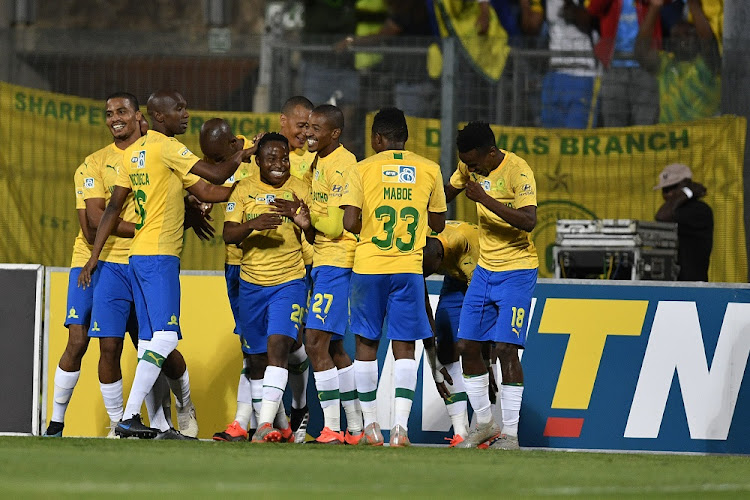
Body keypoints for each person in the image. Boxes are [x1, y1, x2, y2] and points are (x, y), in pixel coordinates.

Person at [78, 89, 254, 439]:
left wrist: (94, 256)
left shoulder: (134, 156)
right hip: (160, 256)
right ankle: (128, 417)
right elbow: (216, 176)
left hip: (137, 255)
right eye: (179, 109)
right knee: (167, 336)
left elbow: (206, 193)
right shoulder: (170, 148)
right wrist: (248, 155)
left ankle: (158, 424)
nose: (186, 114)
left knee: (148, 342)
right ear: (159, 117)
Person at [340, 107, 447, 447]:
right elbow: (440, 224)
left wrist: (369, 226)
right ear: (406, 137)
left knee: (366, 343)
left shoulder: (362, 169)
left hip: (370, 266)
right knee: (405, 346)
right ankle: (400, 429)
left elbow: (349, 222)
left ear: (376, 139)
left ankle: (370, 427)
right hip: (408, 268)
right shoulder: (429, 169)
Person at [444, 122, 538, 450]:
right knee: (467, 346)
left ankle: (510, 434)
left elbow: (529, 220)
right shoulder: (468, 165)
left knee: (506, 350)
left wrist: (484, 198)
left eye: (475, 163)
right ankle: (485, 423)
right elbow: (449, 193)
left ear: (492, 152)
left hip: (517, 271)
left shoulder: (518, 172)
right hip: (485, 270)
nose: (471, 169)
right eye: (466, 163)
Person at [223, 133, 314, 443]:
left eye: (284, 158)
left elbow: (315, 235)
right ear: (258, 161)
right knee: (257, 359)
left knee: (278, 345)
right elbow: (228, 234)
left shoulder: (301, 188)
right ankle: (283, 424)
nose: (280, 164)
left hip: (289, 281)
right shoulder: (244, 189)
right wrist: (252, 225)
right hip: (250, 284)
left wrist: (304, 221)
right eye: (272, 159)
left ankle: (262, 426)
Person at [303, 104, 364, 444]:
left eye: (315, 128)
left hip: (337, 261)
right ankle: (355, 429)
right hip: (322, 260)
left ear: (335, 133)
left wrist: (306, 217)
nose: (308, 132)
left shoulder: (342, 164)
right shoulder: (319, 161)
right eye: (308, 126)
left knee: (315, 342)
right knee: (335, 347)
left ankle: (331, 428)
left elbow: (341, 223)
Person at [199, 119, 262, 443]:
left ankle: (287, 416)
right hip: (236, 264)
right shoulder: (228, 156)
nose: (214, 166)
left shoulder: (262, 155)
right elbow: (210, 190)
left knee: (287, 348)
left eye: (217, 159)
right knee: (252, 347)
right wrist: (201, 203)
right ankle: (255, 421)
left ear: (230, 145)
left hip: (274, 263)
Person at [43, 152, 98, 437]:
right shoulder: (93, 166)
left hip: (127, 264)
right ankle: (55, 423)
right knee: (77, 340)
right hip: (86, 261)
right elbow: (89, 232)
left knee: (139, 343)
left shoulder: (150, 162)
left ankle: (154, 423)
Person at [422, 220, 480, 447]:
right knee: (446, 349)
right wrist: (433, 360)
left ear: (439, 259)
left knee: (483, 348)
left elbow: (481, 305)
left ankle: (487, 426)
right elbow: (424, 306)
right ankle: (461, 432)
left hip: (486, 272)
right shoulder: (420, 246)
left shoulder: (465, 245)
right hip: (455, 279)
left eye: (429, 272)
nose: (426, 276)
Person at [279, 96, 316, 443]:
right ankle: (278, 418)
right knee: (269, 342)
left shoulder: (315, 161)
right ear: (283, 123)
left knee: (292, 337)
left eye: (309, 127)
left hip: (304, 259)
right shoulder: (264, 154)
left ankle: (300, 407)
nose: (305, 132)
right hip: (258, 262)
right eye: (300, 125)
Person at [564, 0, 661, 126]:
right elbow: (594, 8)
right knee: (614, 129)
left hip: (647, 66)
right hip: (613, 67)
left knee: (646, 129)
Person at [634, 0, 721, 123]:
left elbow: (708, 42)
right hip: (672, 139)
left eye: (689, 34)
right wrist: (655, 6)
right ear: (670, 43)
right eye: (676, 36)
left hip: (704, 139)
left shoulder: (708, 65)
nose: (683, 39)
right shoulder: (665, 65)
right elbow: (641, 51)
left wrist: (693, 4)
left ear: (698, 38)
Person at [541, 0, 601, 128]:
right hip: (554, 73)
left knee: (579, 140)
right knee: (550, 139)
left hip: (583, 73)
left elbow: (589, 21)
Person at [654, 163, 713, 281]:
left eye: (672, 187)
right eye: (664, 190)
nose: (667, 194)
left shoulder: (699, 209)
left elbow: (662, 216)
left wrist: (687, 192)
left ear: (685, 184)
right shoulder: (674, 209)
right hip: (671, 285)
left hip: (691, 285)